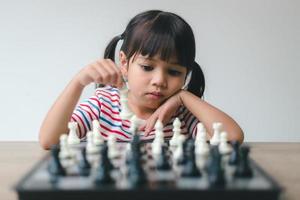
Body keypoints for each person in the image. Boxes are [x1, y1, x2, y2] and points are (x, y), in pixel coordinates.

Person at [39, 10, 244, 150]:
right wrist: (78, 82)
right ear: (124, 63)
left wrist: (183, 97)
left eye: (173, 72)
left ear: (186, 74)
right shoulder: (104, 105)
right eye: (147, 67)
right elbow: (49, 141)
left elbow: (233, 137)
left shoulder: (182, 114)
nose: (159, 81)